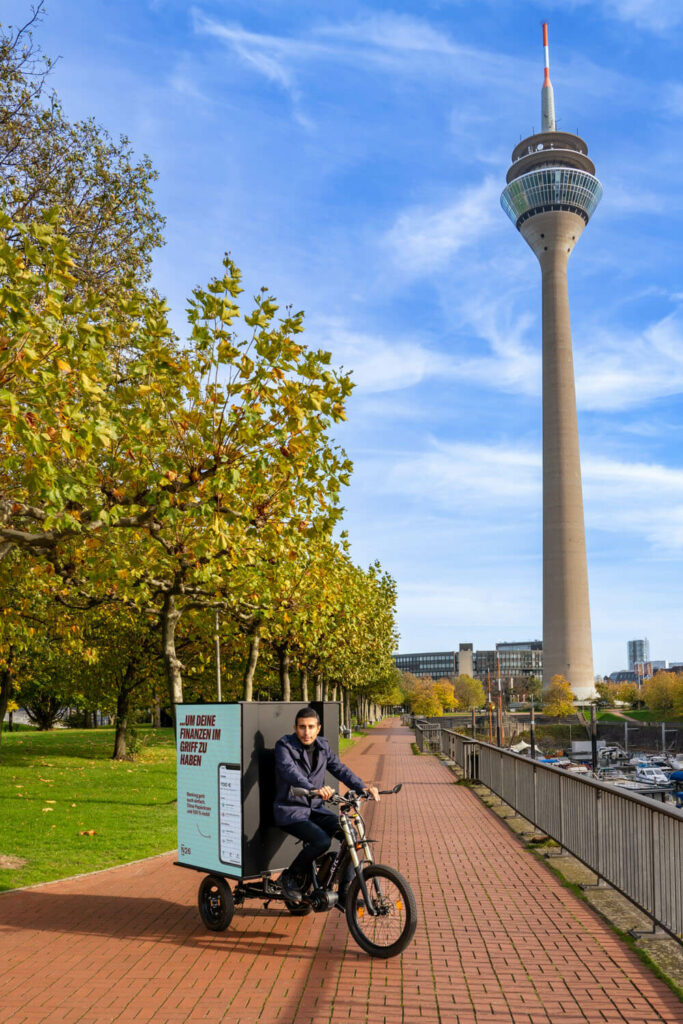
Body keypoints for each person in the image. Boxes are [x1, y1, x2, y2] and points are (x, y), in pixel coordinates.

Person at [274, 706, 380, 903]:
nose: (307, 732)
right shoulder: (284, 746)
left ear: (318, 728)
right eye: (302, 727)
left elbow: (340, 769)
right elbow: (290, 772)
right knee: (321, 841)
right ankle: (289, 877)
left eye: (311, 727)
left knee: (351, 836)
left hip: (314, 809)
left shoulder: (322, 746)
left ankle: (344, 892)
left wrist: (362, 787)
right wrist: (313, 788)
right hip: (291, 810)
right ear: (295, 728)